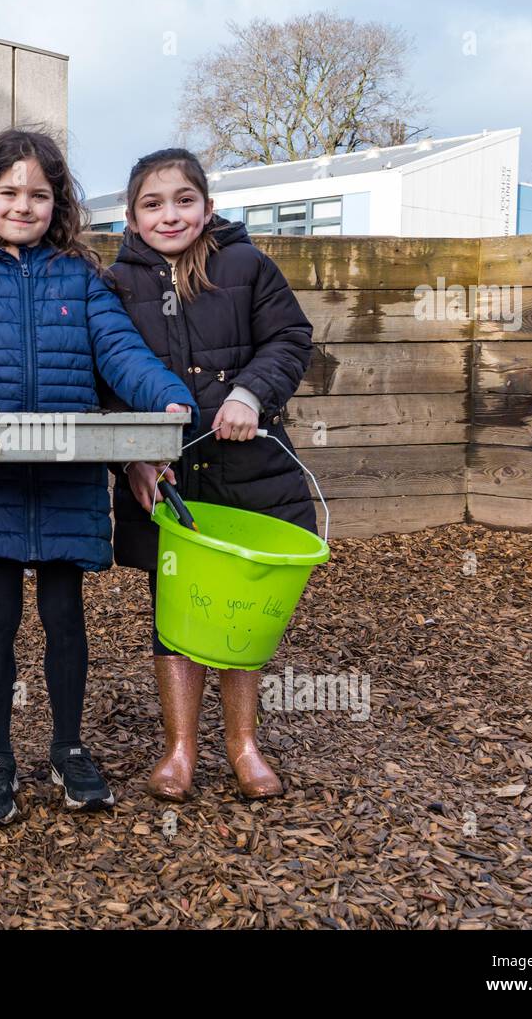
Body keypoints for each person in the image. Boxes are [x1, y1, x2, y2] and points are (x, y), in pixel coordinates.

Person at [0, 128, 199, 825]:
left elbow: (119, 350)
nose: (23, 205)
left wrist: (165, 395)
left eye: (38, 194)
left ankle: (68, 746)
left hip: (68, 481)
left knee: (65, 618)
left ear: (57, 204)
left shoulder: (82, 278)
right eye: (9, 192)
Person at [106, 148, 317, 802]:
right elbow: (105, 378)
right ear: (131, 216)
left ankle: (243, 745)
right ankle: (180, 748)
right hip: (170, 480)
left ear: (208, 206)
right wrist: (133, 457)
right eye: (153, 203)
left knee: (242, 612)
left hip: (249, 473)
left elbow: (289, 339)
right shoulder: (114, 287)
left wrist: (251, 394)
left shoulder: (248, 267)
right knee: (177, 614)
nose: (170, 214)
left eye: (183, 200)